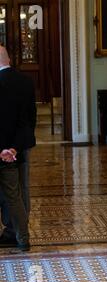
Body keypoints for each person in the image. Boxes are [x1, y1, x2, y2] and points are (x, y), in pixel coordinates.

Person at [0, 45, 35, 252]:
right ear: (9, 59)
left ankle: (11, 232)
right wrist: (14, 148)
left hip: (3, 150)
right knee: (20, 192)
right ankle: (21, 236)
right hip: (19, 147)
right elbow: (30, 119)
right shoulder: (26, 82)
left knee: (10, 194)